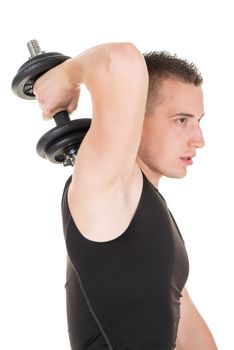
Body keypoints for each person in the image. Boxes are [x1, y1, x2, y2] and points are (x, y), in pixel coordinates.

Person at [34, 42, 218, 350]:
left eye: (199, 122)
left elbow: (193, 338)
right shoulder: (104, 189)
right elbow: (119, 61)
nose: (199, 139)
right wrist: (65, 78)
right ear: (136, 118)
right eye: (181, 120)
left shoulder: (151, 217)